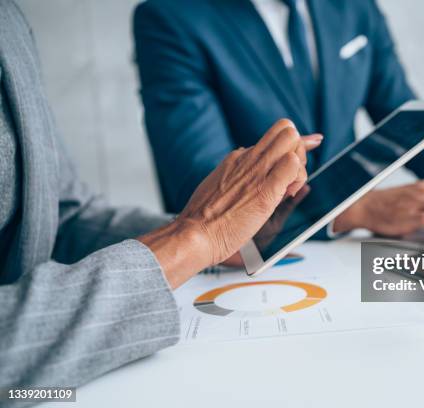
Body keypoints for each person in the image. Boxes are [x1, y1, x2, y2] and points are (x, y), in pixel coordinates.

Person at [0, 0, 320, 393]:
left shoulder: (9, 19)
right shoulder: (174, 17)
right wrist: (192, 239)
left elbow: (60, 216)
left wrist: (211, 240)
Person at [134, 0, 424, 237]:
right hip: (235, 267)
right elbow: (200, 186)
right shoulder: (170, 18)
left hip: (346, 263)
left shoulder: (355, 7)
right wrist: (357, 208)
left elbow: (403, 114)